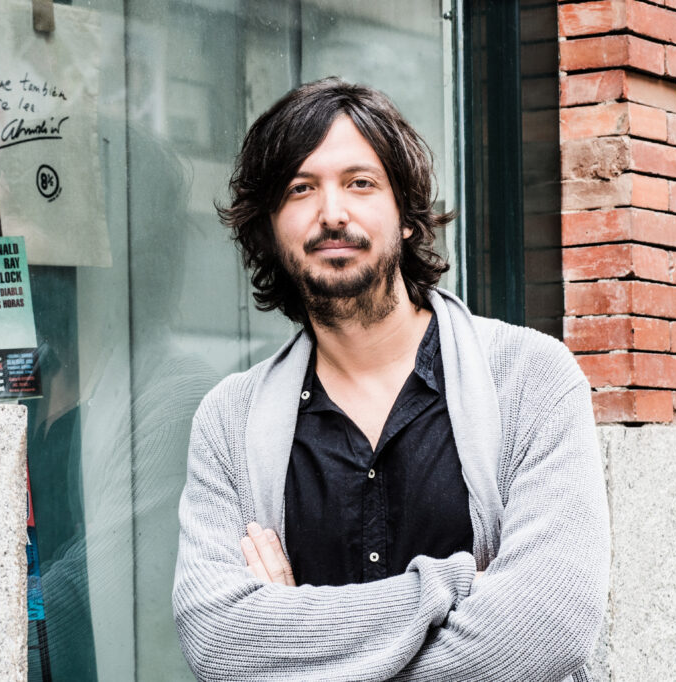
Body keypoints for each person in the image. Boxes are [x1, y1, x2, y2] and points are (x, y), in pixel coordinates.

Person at [172, 77, 609, 681]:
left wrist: (296, 637)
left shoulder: (532, 379)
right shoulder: (230, 421)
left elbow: (548, 629)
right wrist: (450, 586)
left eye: (360, 183)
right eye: (301, 188)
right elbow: (217, 638)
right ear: (270, 227)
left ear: (406, 214)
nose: (332, 213)